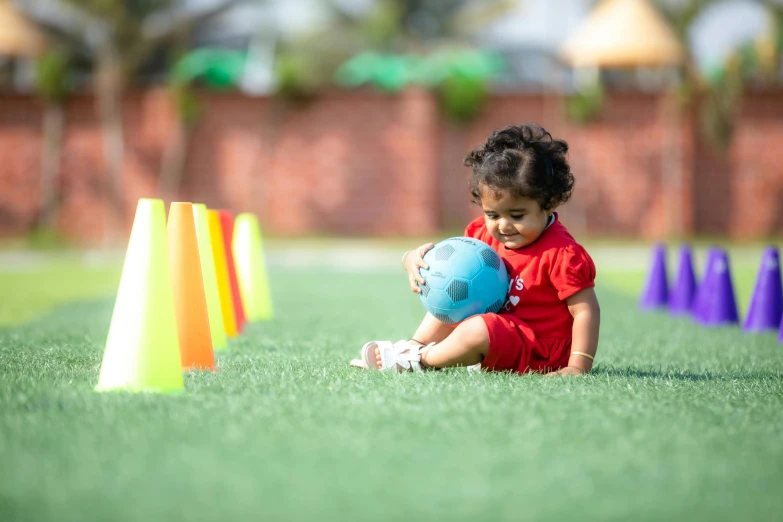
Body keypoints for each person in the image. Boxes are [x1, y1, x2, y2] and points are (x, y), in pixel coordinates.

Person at [354, 123, 600, 376]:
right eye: (492, 214)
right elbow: (446, 269)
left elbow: (585, 310)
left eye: (517, 215)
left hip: (537, 348)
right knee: (455, 287)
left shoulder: (562, 253)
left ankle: (421, 359)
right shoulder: (481, 234)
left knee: (480, 328)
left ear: (549, 204)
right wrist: (411, 260)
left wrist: (577, 366)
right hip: (497, 331)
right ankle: (414, 346)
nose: (503, 225)